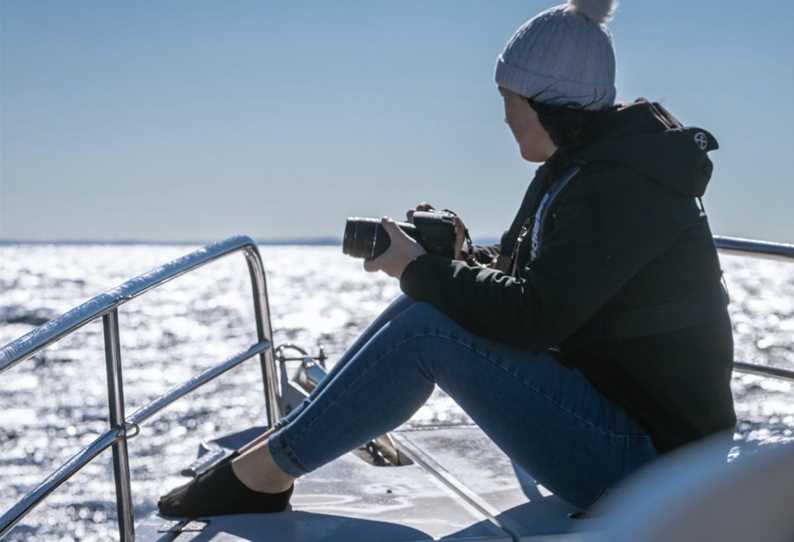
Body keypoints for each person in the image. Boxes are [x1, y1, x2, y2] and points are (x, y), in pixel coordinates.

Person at [158, 0, 736, 518]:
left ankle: (264, 473)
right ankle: (272, 459)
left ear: (545, 103)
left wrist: (420, 269)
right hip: (631, 431)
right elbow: (551, 281)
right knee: (425, 306)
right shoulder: (591, 168)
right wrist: (460, 256)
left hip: (653, 470)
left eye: (510, 101)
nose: (505, 117)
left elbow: (535, 318)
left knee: (428, 329)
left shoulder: (619, 185)